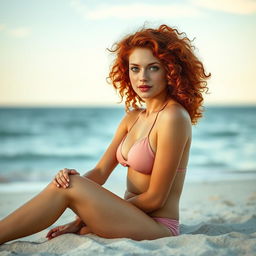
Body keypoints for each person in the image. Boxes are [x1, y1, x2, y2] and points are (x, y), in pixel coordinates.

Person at [0, 24, 210, 244]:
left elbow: (156, 199)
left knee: (73, 187)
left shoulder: (173, 117)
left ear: (170, 70)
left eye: (153, 68)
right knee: (67, 183)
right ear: (126, 71)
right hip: (128, 217)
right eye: (135, 68)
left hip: (156, 226)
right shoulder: (133, 117)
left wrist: (85, 218)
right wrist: (69, 182)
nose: (142, 77)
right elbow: (100, 171)